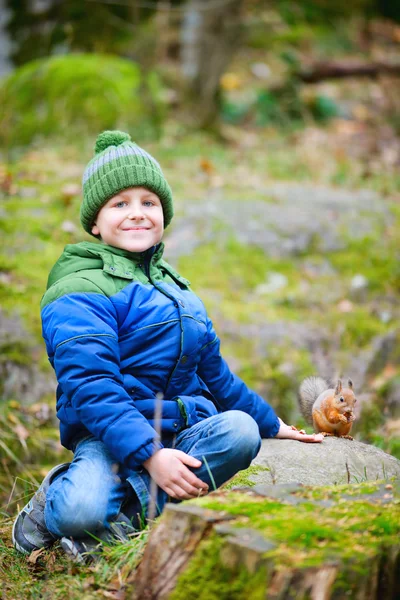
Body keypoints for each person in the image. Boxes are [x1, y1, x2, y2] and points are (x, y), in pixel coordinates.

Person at [12, 130, 323, 560]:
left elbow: (216, 375)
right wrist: (151, 456)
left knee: (240, 431)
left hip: (181, 431)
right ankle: (58, 507)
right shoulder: (78, 291)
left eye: (149, 203)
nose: (137, 214)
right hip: (111, 435)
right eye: (120, 204)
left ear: (164, 213)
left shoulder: (179, 293)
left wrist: (272, 424)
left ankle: (119, 519)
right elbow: (92, 387)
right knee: (80, 509)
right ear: (95, 222)